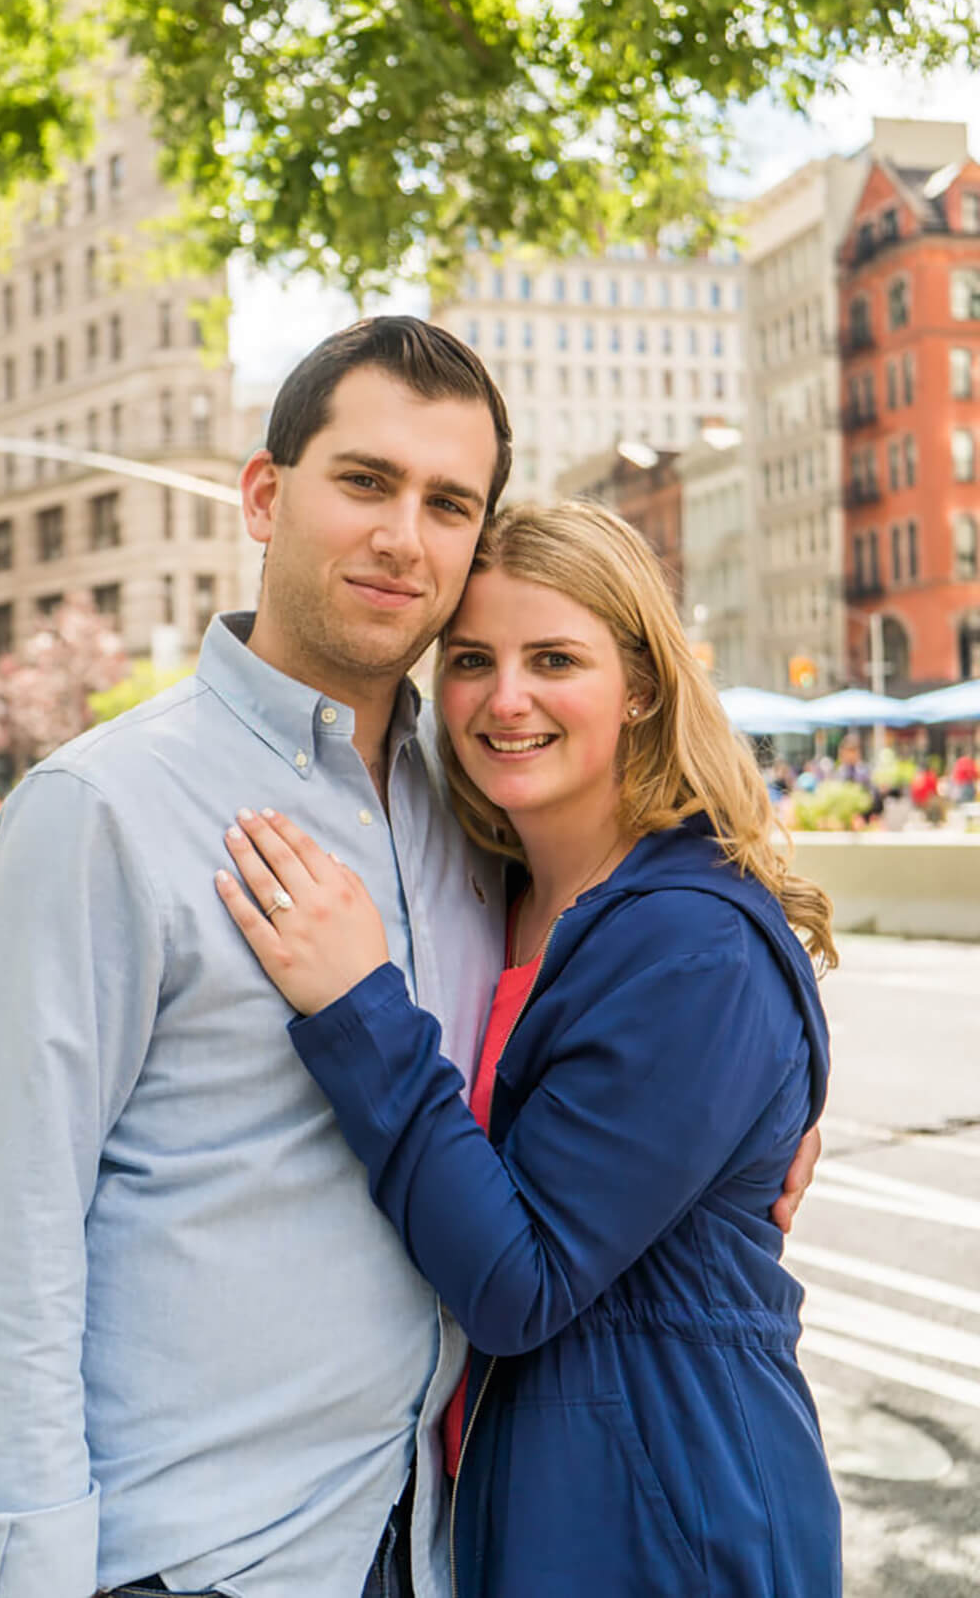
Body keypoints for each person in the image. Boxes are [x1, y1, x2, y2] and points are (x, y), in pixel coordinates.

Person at [0, 320, 816, 1598]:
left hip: (423, 1540)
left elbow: (646, 984)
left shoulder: (471, 813)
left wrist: (766, 1104)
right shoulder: (104, 806)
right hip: (193, 1558)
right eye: (365, 482)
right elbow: (10, 1238)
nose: (402, 537)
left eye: (448, 504)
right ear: (265, 495)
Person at [217, 500, 841, 1597]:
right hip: (510, 1504)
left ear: (640, 684)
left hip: (665, 1524)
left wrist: (361, 1006)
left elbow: (519, 1279)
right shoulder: (484, 897)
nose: (507, 699)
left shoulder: (687, 941)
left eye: (555, 657)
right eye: (471, 661)